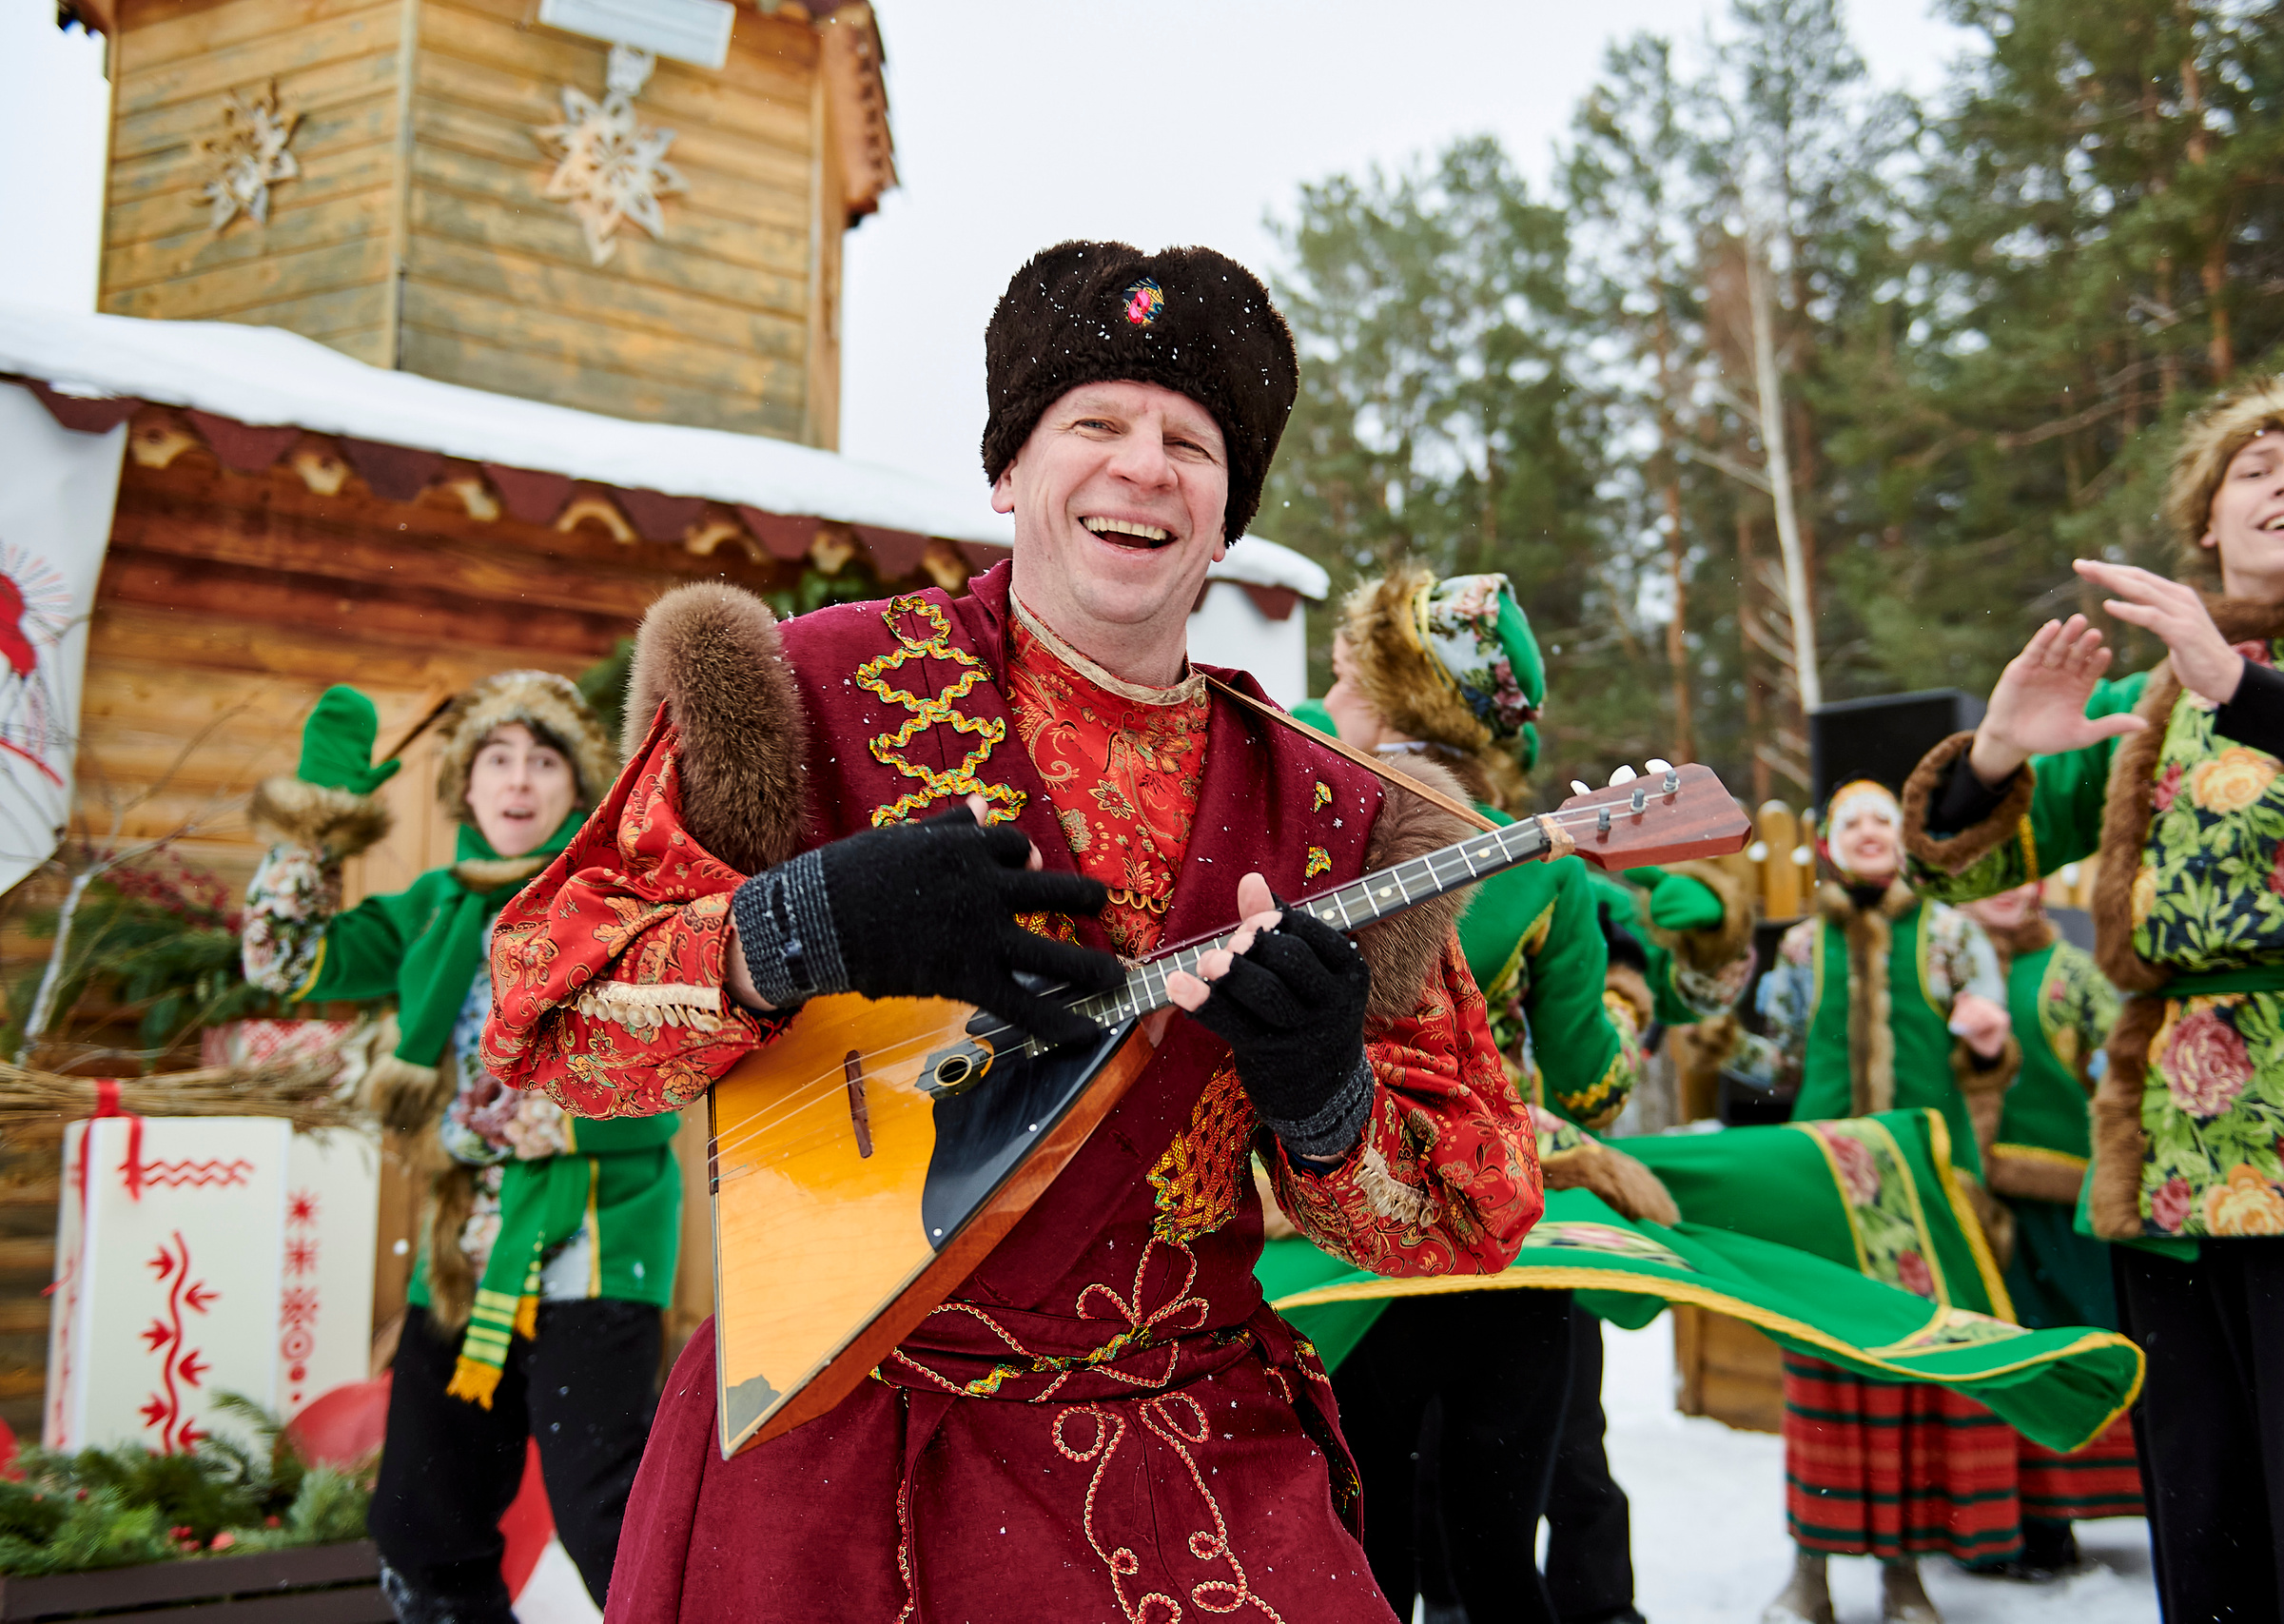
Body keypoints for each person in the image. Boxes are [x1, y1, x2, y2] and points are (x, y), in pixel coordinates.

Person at [482, 242, 1545, 1623]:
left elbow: (1473, 1207)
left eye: (1189, 442)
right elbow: (545, 1020)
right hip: (832, 1464)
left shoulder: (1341, 811)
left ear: (1226, 518)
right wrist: (793, 927)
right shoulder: (807, 694)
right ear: (1007, 471)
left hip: (1198, 1475)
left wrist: (1325, 1096)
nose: (1142, 466)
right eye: (1092, 423)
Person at [1902, 372, 2284, 1621]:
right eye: (2257, 468)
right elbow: (1963, 858)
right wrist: (2002, 748)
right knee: (2211, 1525)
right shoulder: (2150, 709)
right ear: (2209, 524)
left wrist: (2241, 686)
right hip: (2177, 1166)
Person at [1310, 564, 1753, 1624]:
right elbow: (1592, 1087)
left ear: (1395, 688)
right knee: (1505, 1547)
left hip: (1335, 1230)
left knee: (1363, 1554)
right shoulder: (1544, 871)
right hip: (1502, 1237)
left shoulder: (1310, 812)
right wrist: (1636, 1003)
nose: (1326, 694)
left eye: (1343, 671)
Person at [240, 674, 677, 1623]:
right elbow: (282, 960)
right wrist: (319, 814)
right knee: (421, 1521)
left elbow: (683, 1045)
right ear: (464, 788)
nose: (519, 782)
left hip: (589, 1239)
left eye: (544, 759)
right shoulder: (427, 910)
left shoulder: (623, 901)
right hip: (458, 1249)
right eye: (496, 758)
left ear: (577, 784)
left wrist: (549, 1117)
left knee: (609, 1514)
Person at [1752, 778, 2018, 1624]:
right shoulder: (1799, 950)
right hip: (1823, 1185)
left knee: (1909, 1367)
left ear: (1904, 839)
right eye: (1851, 821)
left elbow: (1991, 1059)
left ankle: (1904, 1572)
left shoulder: (1952, 936)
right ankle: (1812, 1571)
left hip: (1925, 1191)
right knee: (1821, 1371)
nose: (1869, 832)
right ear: (1829, 843)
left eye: (1883, 819)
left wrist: (1987, 1039)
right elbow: (1773, 1066)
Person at [1957, 882, 2143, 1575]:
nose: (2006, 890)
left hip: (2060, 1198)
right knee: (1993, 1354)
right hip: (1966, 1200)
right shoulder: (1940, 964)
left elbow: (2124, 1062)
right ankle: (1997, 1517)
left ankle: (2066, 1509)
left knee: (2067, 1341)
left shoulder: (2070, 973)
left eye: (2020, 873)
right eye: (1988, 875)